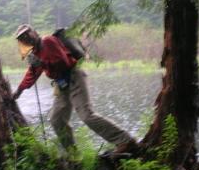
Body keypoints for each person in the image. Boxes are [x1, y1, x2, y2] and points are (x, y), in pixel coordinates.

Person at [12, 24, 138, 153]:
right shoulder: (36, 53)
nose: (26, 38)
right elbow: (32, 74)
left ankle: (125, 141)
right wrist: (19, 91)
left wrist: (42, 63)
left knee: (86, 115)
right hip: (61, 85)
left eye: (27, 33)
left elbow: (64, 62)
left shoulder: (48, 41)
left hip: (74, 77)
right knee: (56, 120)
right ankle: (73, 155)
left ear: (34, 32)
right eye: (22, 37)